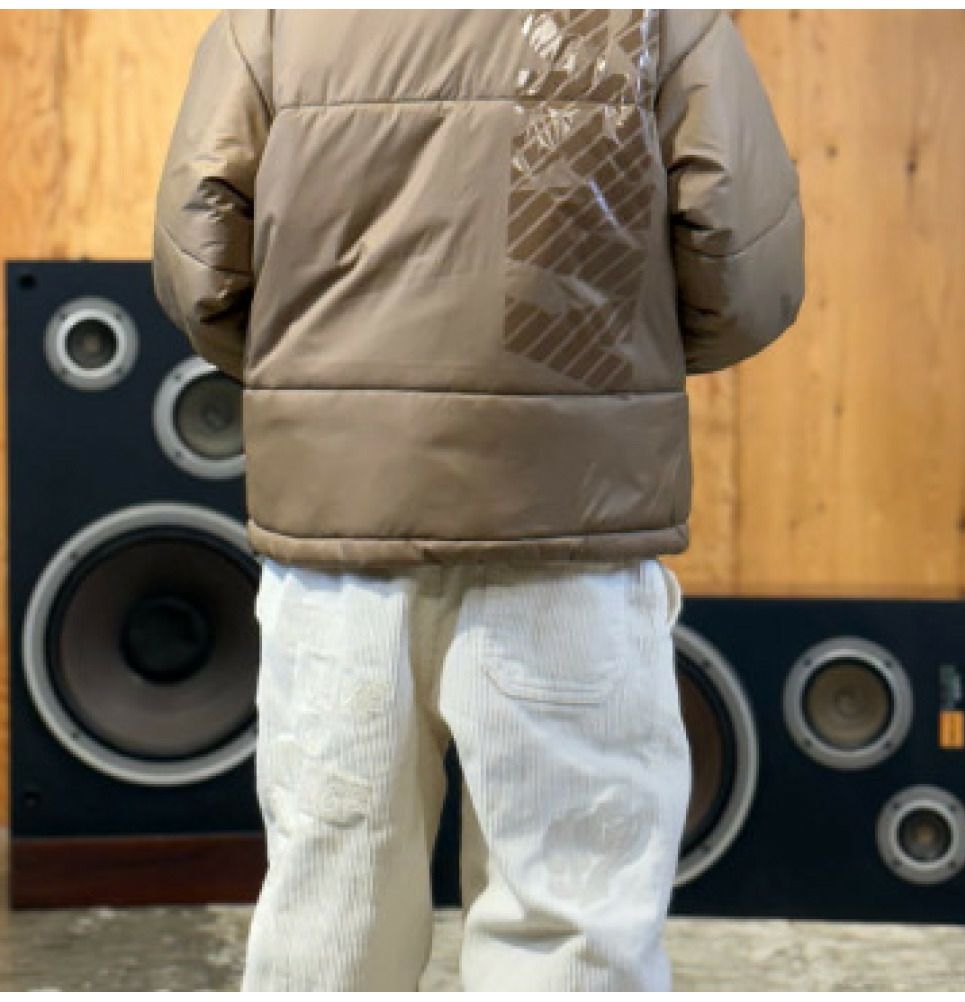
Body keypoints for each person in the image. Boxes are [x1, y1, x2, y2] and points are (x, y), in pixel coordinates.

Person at [152, 9, 804, 991]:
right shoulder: (658, 15)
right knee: (571, 923)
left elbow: (200, 265)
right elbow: (747, 271)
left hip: (339, 538)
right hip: (566, 528)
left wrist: (330, 394)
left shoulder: (274, 18)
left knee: (331, 917)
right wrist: (599, 385)